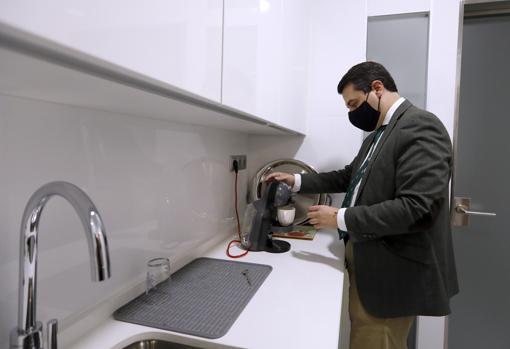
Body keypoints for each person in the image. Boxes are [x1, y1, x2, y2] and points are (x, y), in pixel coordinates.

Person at [265, 61, 459, 349]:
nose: (353, 113)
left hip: (391, 272)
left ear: (377, 89)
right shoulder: (378, 136)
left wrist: (341, 218)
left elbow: (418, 209)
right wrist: (295, 180)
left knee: (375, 340)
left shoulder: (420, 125)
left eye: (355, 104)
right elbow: (348, 176)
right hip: (368, 257)